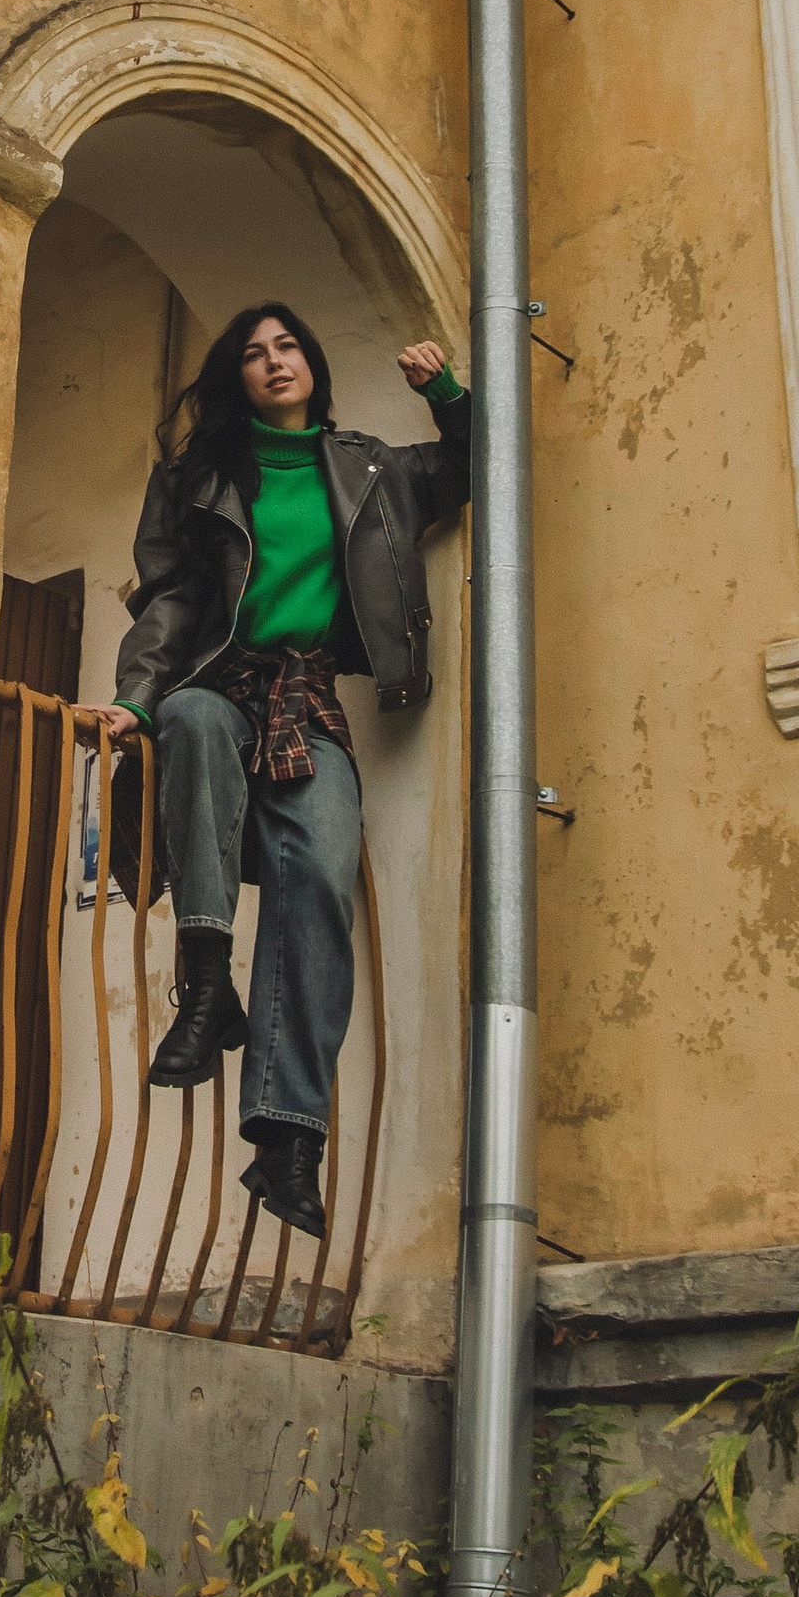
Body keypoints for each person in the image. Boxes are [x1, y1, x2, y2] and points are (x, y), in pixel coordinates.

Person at [103, 302, 470, 1240]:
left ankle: (288, 1140)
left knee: (320, 881)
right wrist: (136, 697)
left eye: (289, 346)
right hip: (216, 682)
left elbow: (481, 468)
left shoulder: (374, 469)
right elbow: (174, 599)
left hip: (309, 701)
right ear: (238, 379)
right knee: (186, 719)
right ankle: (205, 981)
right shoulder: (198, 479)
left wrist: (447, 393)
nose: (275, 362)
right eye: (255, 354)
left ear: (312, 362)